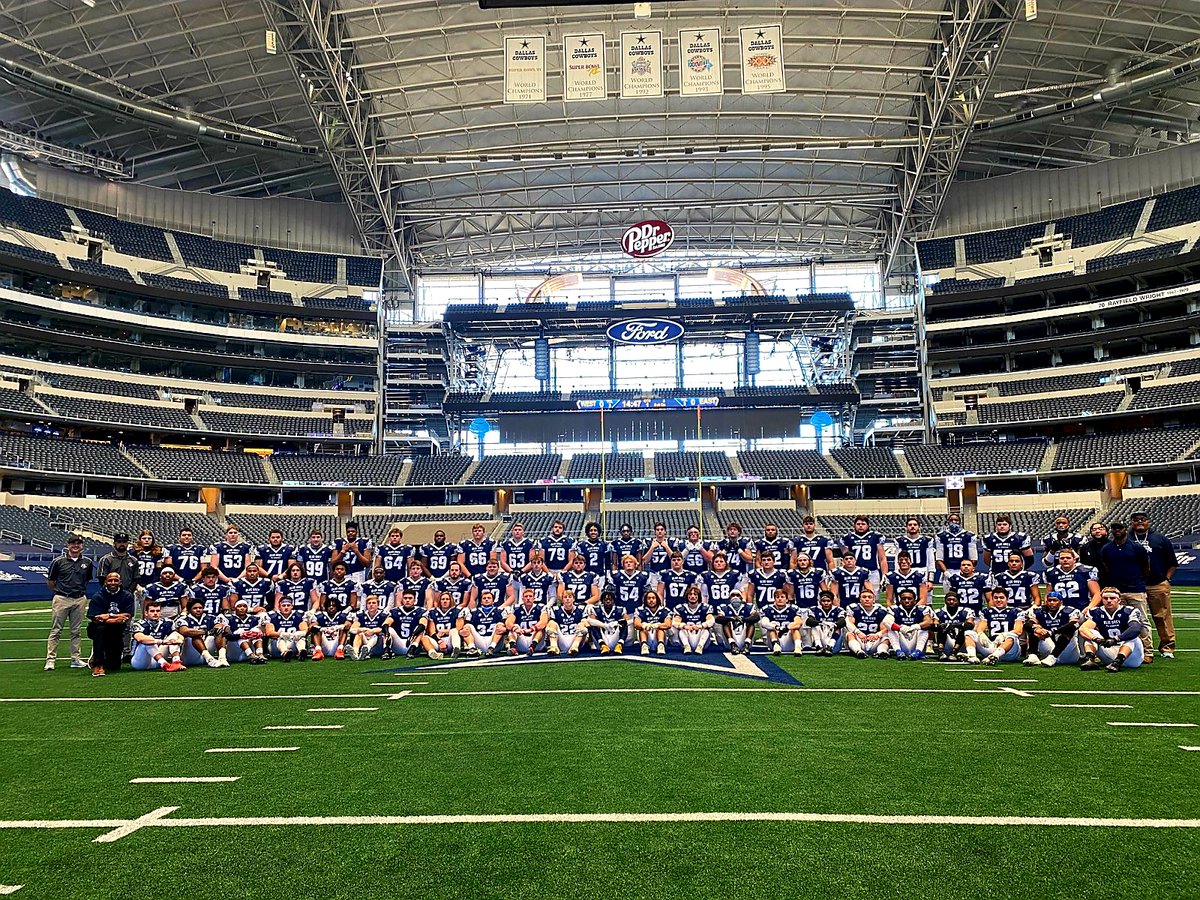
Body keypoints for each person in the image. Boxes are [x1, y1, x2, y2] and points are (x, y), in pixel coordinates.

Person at [1099, 522, 1153, 664]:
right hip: (1117, 590)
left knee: (1142, 620)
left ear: (1125, 529)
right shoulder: (1107, 549)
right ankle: (1119, 649)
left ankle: (1148, 651)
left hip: (1136, 589)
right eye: (1114, 529)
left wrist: (1139, 580)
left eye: (1120, 528)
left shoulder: (1136, 547)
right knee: (1119, 620)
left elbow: (1146, 566)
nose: (1117, 531)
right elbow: (1106, 566)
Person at [1130, 511, 1177, 660]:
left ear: (1148, 522)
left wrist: (1167, 580)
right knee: (1135, 619)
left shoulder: (1160, 539)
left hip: (1157, 584)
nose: (1139, 522)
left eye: (1143, 520)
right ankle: (1138, 648)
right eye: (1136, 520)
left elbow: (1172, 562)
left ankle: (1167, 647)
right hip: (1134, 586)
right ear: (1131, 522)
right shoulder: (1126, 539)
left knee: (1162, 617)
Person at [45, 534, 95, 671]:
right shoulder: (58, 561)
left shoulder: (87, 562)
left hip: (79, 598)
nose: (75, 545)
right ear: (68, 545)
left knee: (76, 631)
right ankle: (50, 659)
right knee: (56, 630)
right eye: (73, 543)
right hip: (62, 598)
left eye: (78, 543)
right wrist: (59, 592)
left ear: (82, 546)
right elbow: (50, 581)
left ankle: (75, 659)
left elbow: (87, 579)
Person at [1079, 587, 1145, 672]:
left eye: (1112, 598)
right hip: (1109, 651)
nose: (1109, 600)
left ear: (1119, 600)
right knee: (1091, 633)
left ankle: (1118, 662)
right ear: (1102, 600)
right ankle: (1090, 659)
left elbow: (1135, 629)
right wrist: (1097, 639)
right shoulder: (1096, 612)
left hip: (1131, 657)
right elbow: (1083, 629)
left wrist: (1116, 639)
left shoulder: (1129, 611)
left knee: (1132, 637)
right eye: (1105, 598)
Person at [85, 571, 134, 676]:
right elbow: (96, 618)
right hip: (99, 629)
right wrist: (115, 618)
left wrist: (108, 616)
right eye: (110, 580)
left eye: (116, 580)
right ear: (105, 582)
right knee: (101, 630)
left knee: (114, 666)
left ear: (120, 582)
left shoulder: (127, 595)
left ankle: (101, 657)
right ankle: (98, 664)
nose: (113, 583)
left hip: (117, 630)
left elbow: (127, 615)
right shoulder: (98, 596)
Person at [966, 586, 1023, 665]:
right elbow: (980, 628)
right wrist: (980, 634)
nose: (998, 600)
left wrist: (1003, 635)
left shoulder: (1016, 611)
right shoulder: (987, 611)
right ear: (992, 599)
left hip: (1009, 651)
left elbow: (1018, 631)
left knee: (1012, 635)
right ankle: (972, 656)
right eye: (996, 598)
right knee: (969, 633)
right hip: (992, 645)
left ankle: (994, 656)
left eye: (1001, 597)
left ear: (1007, 599)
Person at [1021, 590, 1080, 668]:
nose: (1052, 602)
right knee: (1035, 629)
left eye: (1055, 600)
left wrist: (1052, 632)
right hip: (1049, 649)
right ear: (1046, 601)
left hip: (1068, 653)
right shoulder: (1039, 611)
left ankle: (1053, 657)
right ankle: (1033, 655)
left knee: (1068, 631)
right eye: (1049, 600)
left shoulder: (1070, 611)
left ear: (1061, 602)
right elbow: (1027, 625)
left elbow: (1073, 625)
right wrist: (1036, 629)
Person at [130, 600, 186, 672]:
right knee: (148, 640)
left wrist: (180, 640)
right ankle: (164, 664)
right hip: (141, 662)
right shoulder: (139, 624)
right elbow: (140, 638)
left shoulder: (168, 622)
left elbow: (179, 635)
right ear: (146, 613)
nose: (155, 613)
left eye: (157, 611)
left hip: (157, 660)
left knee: (174, 636)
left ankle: (176, 662)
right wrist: (162, 641)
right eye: (152, 611)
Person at [176, 597, 228, 668]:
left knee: (219, 631)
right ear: (189, 610)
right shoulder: (183, 619)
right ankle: (209, 659)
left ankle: (222, 658)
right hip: (190, 655)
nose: (198, 610)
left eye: (200, 608)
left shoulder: (210, 618)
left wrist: (217, 628)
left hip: (206, 651)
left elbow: (219, 626)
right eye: (195, 608)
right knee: (195, 635)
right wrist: (204, 632)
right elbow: (184, 631)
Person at [1043, 548, 1100, 612]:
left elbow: (1097, 593)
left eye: (1068, 558)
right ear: (1058, 560)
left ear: (1074, 560)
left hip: (1081, 610)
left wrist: (1089, 607)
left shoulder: (1085, 571)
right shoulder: (1051, 573)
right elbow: (1048, 595)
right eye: (1062, 558)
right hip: (1060, 612)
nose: (1065, 560)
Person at [845, 587, 891, 659]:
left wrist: (877, 635)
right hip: (859, 639)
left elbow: (885, 628)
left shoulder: (881, 610)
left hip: (874, 639)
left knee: (887, 636)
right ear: (860, 599)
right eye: (864, 597)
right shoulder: (854, 608)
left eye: (869, 597)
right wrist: (858, 632)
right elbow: (849, 623)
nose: (867, 599)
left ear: (873, 599)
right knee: (849, 634)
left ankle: (881, 652)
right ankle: (858, 652)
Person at [460, 589, 509, 656]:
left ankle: (491, 648)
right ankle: (472, 648)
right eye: (484, 598)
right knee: (467, 626)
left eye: (489, 598)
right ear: (481, 601)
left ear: (493, 600)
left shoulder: (499, 611)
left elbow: (507, 627)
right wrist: (463, 631)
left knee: (500, 625)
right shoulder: (474, 612)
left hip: (495, 642)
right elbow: (466, 628)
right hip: (480, 640)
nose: (486, 599)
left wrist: (505, 630)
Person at [887, 588, 932, 660]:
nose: (907, 601)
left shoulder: (922, 609)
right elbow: (887, 622)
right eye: (904, 599)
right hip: (902, 641)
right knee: (891, 629)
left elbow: (929, 622)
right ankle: (898, 652)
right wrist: (900, 628)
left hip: (915, 641)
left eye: (909, 598)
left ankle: (917, 652)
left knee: (924, 629)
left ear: (915, 600)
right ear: (900, 600)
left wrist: (915, 627)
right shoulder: (894, 609)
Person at [384, 589, 427, 659]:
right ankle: (386, 651)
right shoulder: (395, 611)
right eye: (405, 598)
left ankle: (411, 651)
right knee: (388, 629)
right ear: (402, 599)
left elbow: (423, 624)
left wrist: (412, 635)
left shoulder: (421, 611)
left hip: (413, 643)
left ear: (415, 600)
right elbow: (386, 623)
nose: (407, 600)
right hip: (399, 643)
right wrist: (387, 633)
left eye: (410, 598)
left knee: (421, 630)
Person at [759, 587, 803, 657]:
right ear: (774, 599)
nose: (780, 599)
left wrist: (786, 628)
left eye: (782, 597)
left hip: (788, 639)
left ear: (787, 599)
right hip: (774, 639)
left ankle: (798, 647)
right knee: (771, 625)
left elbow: (798, 623)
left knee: (794, 626)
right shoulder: (767, 609)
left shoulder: (793, 609)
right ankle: (776, 646)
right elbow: (764, 623)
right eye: (777, 597)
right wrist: (776, 627)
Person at [842, 515, 888, 581]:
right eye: (858, 524)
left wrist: (884, 575)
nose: (860, 526)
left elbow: (882, 558)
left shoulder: (875, 536)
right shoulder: (848, 538)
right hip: (854, 572)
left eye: (863, 524)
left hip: (872, 571)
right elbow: (845, 559)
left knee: (873, 591)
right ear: (854, 525)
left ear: (868, 526)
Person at [307, 596, 353, 661]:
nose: (331, 607)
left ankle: (340, 650)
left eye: (333, 606)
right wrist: (322, 629)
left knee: (343, 629)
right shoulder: (320, 616)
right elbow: (311, 627)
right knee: (315, 629)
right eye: (329, 606)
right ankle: (318, 651)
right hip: (324, 644)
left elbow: (348, 625)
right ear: (326, 607)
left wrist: (338, 627)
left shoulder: (343, 615)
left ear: (337, 607)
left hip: (337, 643)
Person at [506, 587, 548, 656]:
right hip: (521, 639)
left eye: (530, 596)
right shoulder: (516, 608)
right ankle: (513, 647)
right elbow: (508, 623)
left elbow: (543, 622)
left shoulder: (541, 607)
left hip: (535, 641)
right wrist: (516, 629)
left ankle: (532, 647)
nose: (528, 598)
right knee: (514, 627)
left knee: (540, 628)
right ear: (522, 599)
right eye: (526, 596)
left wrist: (531, 629)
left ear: (534, 598)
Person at [715, 588, 758, 654]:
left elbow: (756, 617)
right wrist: (731, 618)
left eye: (737, 595)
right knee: (725, 622)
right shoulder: (724, 608)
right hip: (730, 640)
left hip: (745, 637)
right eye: (733, 595)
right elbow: (718, 619)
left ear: (741, 597)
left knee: (751, 622)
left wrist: (744, 619)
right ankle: (733, 645)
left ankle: (746, 645)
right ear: (729, 598)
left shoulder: (749, 607)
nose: (735, 597)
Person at [223, 598, 267, 664]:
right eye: (239, 606)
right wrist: (241, 635)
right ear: (235, 608)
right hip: (234, 651)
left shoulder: (254, 618)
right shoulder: (229, 618)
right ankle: (250, 655)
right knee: (240, 631)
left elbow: (264, 635)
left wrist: (258, 633)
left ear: (247, 608)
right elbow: (227, 636)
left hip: (250, 647)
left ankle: (259, 654)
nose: (242, 608)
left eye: (244, 606)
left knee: (255, 631)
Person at [673, 586, 715, 655]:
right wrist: (684, 626)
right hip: (687, 635)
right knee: (681, 630)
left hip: (700, 635)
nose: (692, 596)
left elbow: (711, 620)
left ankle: (700, 646)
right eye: (690, 594)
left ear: (698, 596)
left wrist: (701, 626)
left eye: (695, 594)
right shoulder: (680, 607)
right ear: (687, 596)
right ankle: (686, 646)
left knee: (706, 629)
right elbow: (675, 622)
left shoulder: (705, 607)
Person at [264, 597, 309, 661]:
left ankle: (301, 651)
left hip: (293, 643)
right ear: (279, 607)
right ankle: (285, 653)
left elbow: (304, 630)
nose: (286, 607)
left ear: (292, 606)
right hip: (277, 647)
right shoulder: (272, 615)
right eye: (283, 605)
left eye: (288, 605)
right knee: (280, 638)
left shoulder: (299, 615)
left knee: (300, 637)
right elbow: (269, 632)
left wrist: (300, 633)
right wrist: (282, 634)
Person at [933, 591, 973, 661]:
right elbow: (935, 625)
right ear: (945, 601)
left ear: (958, 601)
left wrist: (954, 625)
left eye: (954, 600)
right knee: (942, 628)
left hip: (961, 643)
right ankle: (940, 652)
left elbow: (970, 624)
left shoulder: (966, 611)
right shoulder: (939, 612)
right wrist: (944, 626)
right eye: (949, 600)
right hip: (946, 642)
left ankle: (954, 652)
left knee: (964, 629)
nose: (951, 602)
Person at [586, 589, 627, 654]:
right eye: (606, 600)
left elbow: (628, 621)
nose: (608, 601)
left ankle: (619, 645)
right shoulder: (596, 609)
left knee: (624, 623)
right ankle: (603, 646)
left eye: (610, 600)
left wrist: (617, 623)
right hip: (601, 638)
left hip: (615, 637)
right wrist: (604, 625)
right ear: (602, 601)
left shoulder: (620, 609)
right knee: (594, 625)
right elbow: (590, 621)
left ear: (613, 601)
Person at [805, 590, 845, 657]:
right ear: (820, 602)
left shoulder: (838, 610)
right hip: (821, 636)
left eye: (828, 601)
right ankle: (818, 646)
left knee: (838, 627)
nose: (826, 603)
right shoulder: (814, 609)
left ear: (832, 601)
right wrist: (823, 623)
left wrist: (834, 625)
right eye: (823, 601)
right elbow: (809, 621)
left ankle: (829, 647)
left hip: (834, 642)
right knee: (815, 626)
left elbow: (843, 622)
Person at [333, 520, 374, 585]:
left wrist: (356, 551)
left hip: (358, 573)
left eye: (353, 531)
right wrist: (343, 552)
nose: (351, 533)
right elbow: (333, 563)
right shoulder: (338, 542)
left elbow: (367, 564)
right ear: (346, 533)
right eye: (348, 532)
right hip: (343, 574)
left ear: (356, 532)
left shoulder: (364, 542)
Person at [419, 592, 458, 659]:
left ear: (451, 600)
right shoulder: (433, 612)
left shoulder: (457, 611)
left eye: (447, 599)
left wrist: (444, 631)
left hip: (450, 640)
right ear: (439, 601)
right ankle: (433, 653)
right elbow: (432, 632)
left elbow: (458, 629)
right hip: (437, 639)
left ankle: (456, 649)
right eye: (443, 599)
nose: (445, 601)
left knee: (454, 631)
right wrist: (439, 641)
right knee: (424, 637)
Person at [633, 590, 671, 655]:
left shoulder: (664, 610)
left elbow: (668, 624)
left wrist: (657, 625)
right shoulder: (640, 610)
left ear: (657, 599)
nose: (651, 600)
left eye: (653, 598)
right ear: (645, 600)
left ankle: (660, 645)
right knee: (643, 626)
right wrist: (644, 626)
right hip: (646, 637)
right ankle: (644, 646)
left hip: (659, 638)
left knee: (660, 627)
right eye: (649, 598)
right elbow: (636, 624)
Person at [350, 595, 388, 660]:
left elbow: (385, 629)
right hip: (365, 641)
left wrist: (373, 631)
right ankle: (355, 653)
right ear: (366, 605)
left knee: (375, 635)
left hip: (378, 644)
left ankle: (367, 650)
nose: (371, 605)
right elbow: (352, 629)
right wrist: (364, 629)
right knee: (359, 634)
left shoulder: (383, 615)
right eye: (369, 603)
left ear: (378, 605)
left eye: (373, 603)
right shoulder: (362, 615)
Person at [132, 529, 166, 595]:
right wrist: (136, 585)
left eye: (149, 538)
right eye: (144, 538)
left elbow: (158, 572)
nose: (146, 540)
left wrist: (153, 585)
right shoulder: (133, 553)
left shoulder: (158, 554)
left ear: (152, 540)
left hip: (152, 584)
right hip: (137, 585)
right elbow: (130, 572)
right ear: (140, 539)